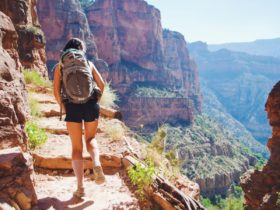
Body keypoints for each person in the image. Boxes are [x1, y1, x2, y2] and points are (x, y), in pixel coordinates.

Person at [53, 38, 106, 198]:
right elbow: (102, 84)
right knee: (90, 139)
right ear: (80, 51)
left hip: (72, 107)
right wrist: (95, 100)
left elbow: (56, 91)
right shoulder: (88, 64)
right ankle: (96, 163)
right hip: (91, 104)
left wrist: (64, 105)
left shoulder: (60, 66)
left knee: (76, 149)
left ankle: (80, 188)